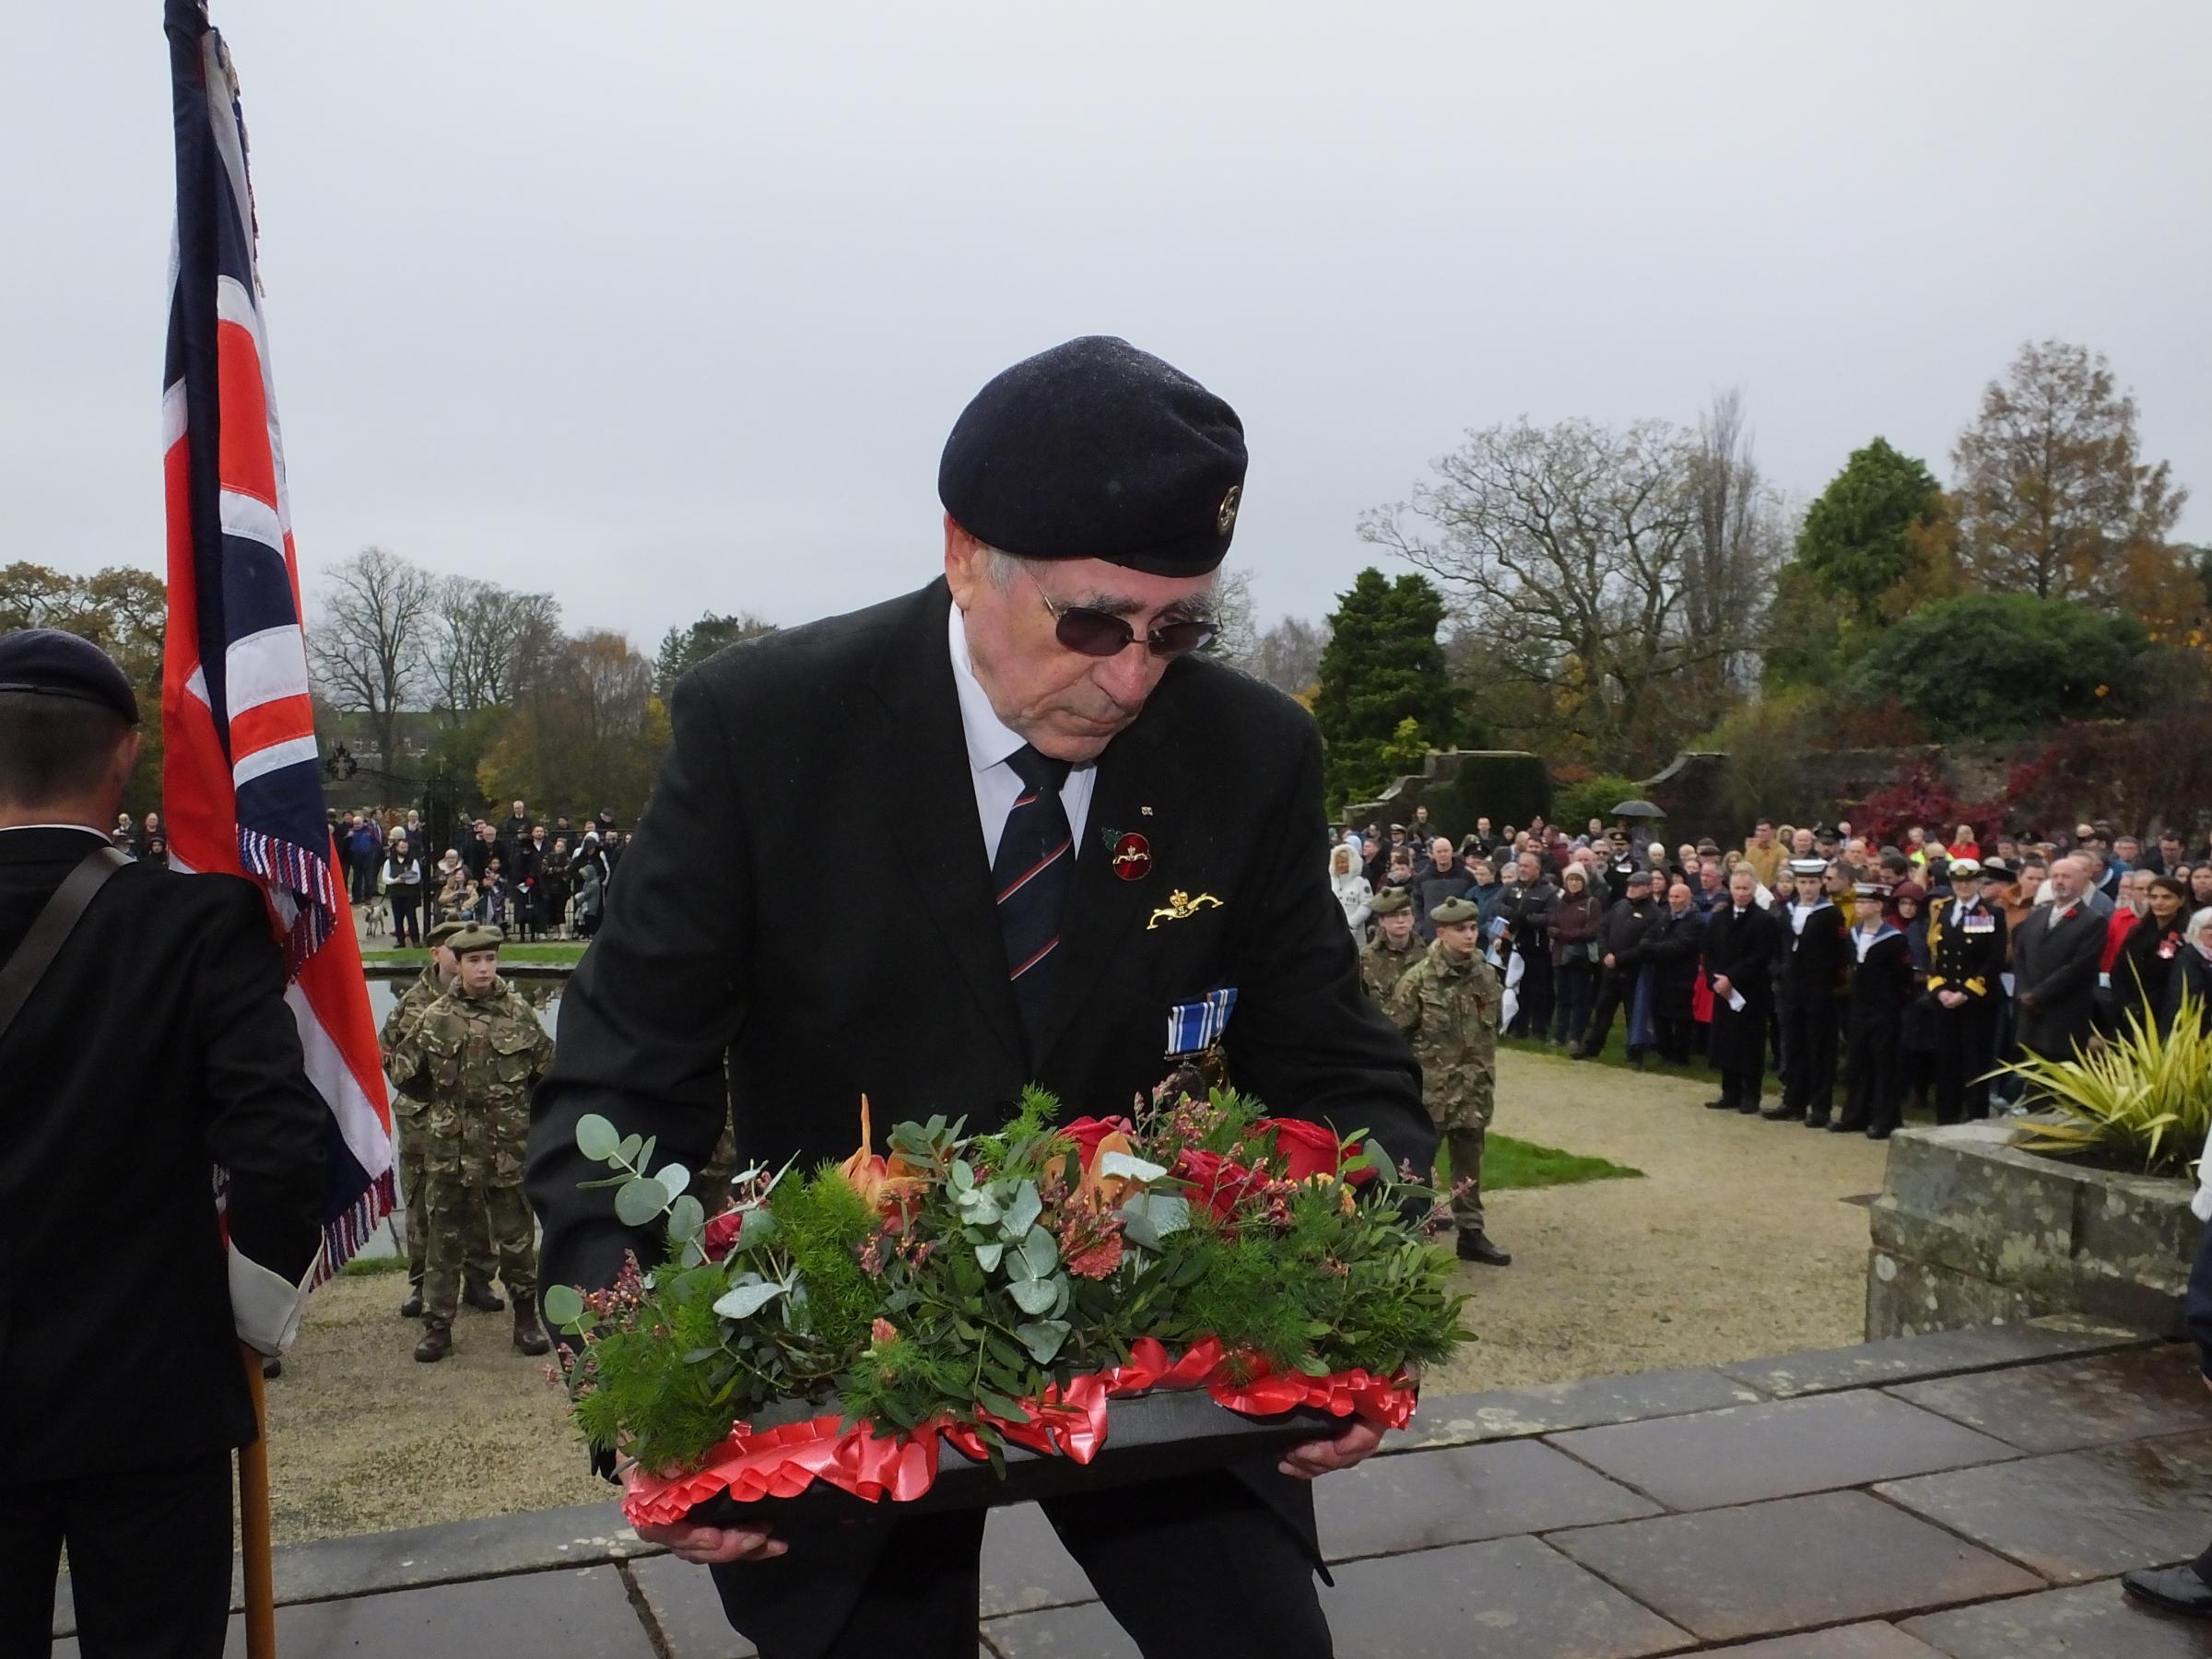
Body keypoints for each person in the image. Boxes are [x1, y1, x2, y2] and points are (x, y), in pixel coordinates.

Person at [525, 337, 1435, 1659]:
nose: (1134, 679)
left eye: (1177, 629)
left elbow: (1340, 1069)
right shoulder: (765, 729)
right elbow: (619, 1083)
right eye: (1091, 624)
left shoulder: (1249, 751)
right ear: (965, 554)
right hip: (842, 1350)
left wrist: (1362, 1306)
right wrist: (646, 1403)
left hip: (1157, 1343)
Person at [0, 629, 326, 1659]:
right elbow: (278, 1143)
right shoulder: (197, 923)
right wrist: (252, 1322)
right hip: (149, 1390)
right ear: (126, 754)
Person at [391, 924, 554, 1362]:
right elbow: (407, 1074)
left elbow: (546, 1072)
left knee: (517, 1237)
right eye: (474, 961)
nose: (484, 969)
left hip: (506, 1149)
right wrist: (447, 1107)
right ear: (457, 964)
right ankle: (437, 1327)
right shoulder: (435, 1016)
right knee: (444, 1238)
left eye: (490, 959)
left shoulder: (520, 1013)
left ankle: (525, 1318)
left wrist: (516, 1112)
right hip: (449, 1148)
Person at [379, 918, 505, 1322]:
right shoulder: (412, 1003)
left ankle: (480, 1279)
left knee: (479, 1198)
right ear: (438, 953)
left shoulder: (490, 999)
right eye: (455, 949)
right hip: (422, 1121)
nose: (465, 956)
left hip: (474, 1122)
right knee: (421, 1203)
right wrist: (426, 1098)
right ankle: (421, 1284)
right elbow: (388, 1056)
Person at [1388, 896, 1508, 1266]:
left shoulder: (1486, 975)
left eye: (1473, 928)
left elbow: (1492, 1029)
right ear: (1441, 933)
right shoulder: (1419, 981)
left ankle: (1471, 1232)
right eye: (1461, 929)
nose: (1470, 935)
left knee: (1469, 1161)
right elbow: (1395, 1036)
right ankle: (1412, 1235)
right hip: (1432, 1092)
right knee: (1419, 1164)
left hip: (1473, 1089)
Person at [1923, 857, 2006, 1124]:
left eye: (1968, 881)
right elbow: (1933, 953)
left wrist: (1966, 992)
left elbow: (1992, 959)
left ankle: (1975, 1119)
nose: (1963, 886)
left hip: (1975, 1002)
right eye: (1958, 881)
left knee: (1975, 1063)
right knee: (1946, 1062)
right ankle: (1945, 1119)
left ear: (1979, 882)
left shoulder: (1989, 913)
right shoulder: (1941, 909)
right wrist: (1939, 989)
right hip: (1945, 998)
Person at [1774, 858, 1850, 1127]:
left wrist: (1829, 982)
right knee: (1793, 1046)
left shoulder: (1830, 913)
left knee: (1819, 1049)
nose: (1808, 888)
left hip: (1818, 990)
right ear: (1796, 883)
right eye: (1803, 882)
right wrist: (1780, 972)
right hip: (1791, 989)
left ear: (1821, 883)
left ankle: (1820, 1107)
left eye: (1813, 882)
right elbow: (1781, 945)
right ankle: (1793, 1101)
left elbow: (1840, 953)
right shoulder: (1788, 910)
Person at [2013, 853, 2108, 1065]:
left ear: (2082, 882)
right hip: (2031, 1015)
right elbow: (2021, 957)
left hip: (2063, 1016)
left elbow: (2079, 968)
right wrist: (2024, 992)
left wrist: (2039, 995)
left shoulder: (2093, 921)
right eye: (2055, 876)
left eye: (2066, 876)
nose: (2059, 881)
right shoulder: (2037, 916)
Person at [1704, 868, 1781, 1114]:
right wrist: (1716, 979)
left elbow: (1761, 956)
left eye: (1745, 889)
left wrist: (1732, 977)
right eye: (1736, 888)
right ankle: (1730, 1091)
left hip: (1751, 991)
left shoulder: (1764, 920)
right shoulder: (1720, 917)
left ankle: (1751, 1094)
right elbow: (1709, 951)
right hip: (1723, 991)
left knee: (1749, 1044)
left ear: (1754, 889)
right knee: (1725, 1040)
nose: (1740, 893)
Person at [1840, 889, 1912, 1137]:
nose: (1860, 905)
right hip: (1859, 1008)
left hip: (1884, 1009)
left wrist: (1892, 1002)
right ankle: (1854, 1115)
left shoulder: (1894, 939)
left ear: (1879, 906)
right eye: (1858, 900)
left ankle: (1884, 1119)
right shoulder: (1853, 935)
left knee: (1884, 1064)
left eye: (1866, 901)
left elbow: (1904, 977)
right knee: (1857, 1062)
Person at [1572, 866, 1657, 1061]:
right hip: (1610, 971)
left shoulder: (1654, 914)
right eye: (1630, 885)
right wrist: (1605, 953)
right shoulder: (1620, 906)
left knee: (1633, 1015)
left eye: (1637, 886)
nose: (1631, 888)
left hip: (1632, 973)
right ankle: (1591, 1048)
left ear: (1648, 889)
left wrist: (1618, 959)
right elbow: (1603, 929)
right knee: (1602, 1011)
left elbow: (1646, 945)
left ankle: (1635, 1053)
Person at [2112, 875, 2191, 1037]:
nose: (2159, 902)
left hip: (2162, 1013)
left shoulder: (2186, 935)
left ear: (2180, 901)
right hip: (2127, 1009)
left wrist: (2144, 1006)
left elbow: (2175, 980)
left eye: (2166, 897)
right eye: (2154, 897)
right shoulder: (2137, 932)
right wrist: (2123, 1003)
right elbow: (2118, 969)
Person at [1495, 849, 1558, 1040]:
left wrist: (1526, 919)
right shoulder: (1511, 888)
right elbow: (1497, 905)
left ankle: (1539, 1030)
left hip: (1536, 948)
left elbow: (1550, 917)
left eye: (1526, 866)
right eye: (1520, 865)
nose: (1522, 869)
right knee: (1514, 988)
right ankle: (1516, 1027)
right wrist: (1513, 915)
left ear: (1537, 869)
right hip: (1512, 946)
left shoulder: (1547, 892)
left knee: (1537, 990)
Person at [1642, 878, 1704, 1065]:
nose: (1673, 900)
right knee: (1660, 1015)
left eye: (1678, 896)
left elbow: (1681, 945)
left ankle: (1680, 1056)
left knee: (1681, 1018)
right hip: (1662, 974)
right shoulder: (1665, 916)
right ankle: (1664, 1052)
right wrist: (1649, 947)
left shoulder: (1695, 921)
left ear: (1688, 898)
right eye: (1671, 896)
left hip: (1683, 976)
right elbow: (1648, 936)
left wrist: (1653, 950)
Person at [1546, 863, 1604, 1049]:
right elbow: (1551, 925)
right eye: (1571, 879)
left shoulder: (1591, 903)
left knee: (1579, 997)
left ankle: (1575, 1036)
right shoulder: (1560, 902)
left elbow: (1592, 930)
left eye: (1577, 880)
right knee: (1562, 997)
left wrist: (1566, 935)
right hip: (1559, 955)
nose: (1574, 883)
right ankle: (1559, 1034)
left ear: (1584, 882)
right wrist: (1565, 934)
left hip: (1580, 958)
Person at [1893, 881, 1936, 1120]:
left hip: (1934, 993)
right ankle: (1906, 1089)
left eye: (1913, 904)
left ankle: (1923, 1090)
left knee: (1930, 1048)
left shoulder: (1929, 928)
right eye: (1904, 903)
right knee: (1907, 1045)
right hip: (1907, 993)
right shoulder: (1906, 929)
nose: (1908, 908)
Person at [1357, 887, 1426, 1008]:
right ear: (1381, 921)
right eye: (1393, 915)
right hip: (1381, 1024)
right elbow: (1361, 1000)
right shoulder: (1368, 957)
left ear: (1413, 918)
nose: (1400, 920)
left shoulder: (1427, 954)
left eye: (1405, 914)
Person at [381, 834, 424, 947]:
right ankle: (400, 940)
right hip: (396, 892)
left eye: (406, 848)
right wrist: (395, 881)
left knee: (411, 916)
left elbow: (417, 876)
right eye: (402, 848)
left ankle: (415, 940)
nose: (404, 850)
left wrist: (406, 880)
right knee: (397, 917)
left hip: (409, 893)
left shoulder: (412, 861)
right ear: (397, 848)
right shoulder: (389, 861)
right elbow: (385, 877)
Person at [1328, 841, 1371, 938]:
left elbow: (1367, 904)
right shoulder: (1330, 881)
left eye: (1343, 862)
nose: (1340, 865)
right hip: (1332, 928)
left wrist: (1351, 923)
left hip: (1354, 930)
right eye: (1337, 863)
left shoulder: (1361, 882)